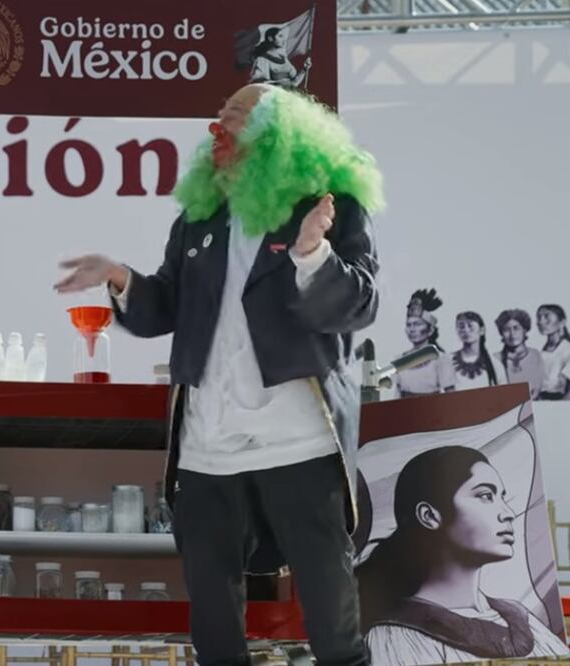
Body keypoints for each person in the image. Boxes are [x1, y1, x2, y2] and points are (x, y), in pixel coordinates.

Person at [54, 83, 383, 666]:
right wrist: (122, 277)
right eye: (220, 115)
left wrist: (313, 255)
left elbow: (358, 304)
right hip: (208, 449)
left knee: (333, 627)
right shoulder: (198, 219)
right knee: (213, 627)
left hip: (298, 442)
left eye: (234, 116)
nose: (218, 128)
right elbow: (165, 307)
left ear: (279, 137)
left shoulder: (328, 204)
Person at [356, 446, 567, 665]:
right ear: (429, 516)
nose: (508, 514)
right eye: (485, 496)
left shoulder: (523, 620)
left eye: (501, 497)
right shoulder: (397, 637)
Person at [395, 288, 456, 397]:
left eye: (417, 324)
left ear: (430, 330)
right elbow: (397, 395)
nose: (412, 329)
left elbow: (451, 397)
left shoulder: (441, 359)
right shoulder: (399, 359)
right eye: (409, 325)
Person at [495, 309, 544, 399]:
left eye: (516, 328)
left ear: (524, 330)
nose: (512, 334)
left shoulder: (537, 356)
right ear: (501, 333)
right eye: (506, 330)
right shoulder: (495, 359)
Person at [451, 311, 505, 390]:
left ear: (482, 330)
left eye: (470, 326)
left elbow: (504, 395)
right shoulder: (448, 361)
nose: (466, 330)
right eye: (461, 327)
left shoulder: (495, 364)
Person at [536, 304, 570, 400]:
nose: (541, 322)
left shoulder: (567, 349)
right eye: (539, 318)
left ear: (562, 322)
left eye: (547, 317)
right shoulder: (542, 352)